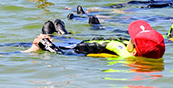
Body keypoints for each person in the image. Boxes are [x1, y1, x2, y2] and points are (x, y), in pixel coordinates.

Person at [28, 20, 165, 59]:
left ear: (134, 51)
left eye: (131, 38)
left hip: (72, 52)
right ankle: (60, 33)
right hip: (79, 44)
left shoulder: (112, 55)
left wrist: (45, 44)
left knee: (41, 39)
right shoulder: (131, 51)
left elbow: (66, 56)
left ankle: (47, 38)